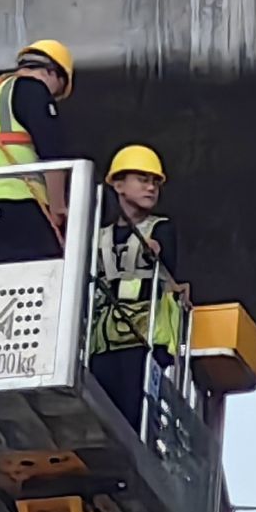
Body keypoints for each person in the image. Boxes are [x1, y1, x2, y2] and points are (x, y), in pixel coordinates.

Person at [0, 40, 78, 264]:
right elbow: (52, 154)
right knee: (44, 282)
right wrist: (58, 207)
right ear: (52, 73)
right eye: (57, 91)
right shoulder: (32, 88)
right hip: (19, 208)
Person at [87, 145, 186, 423]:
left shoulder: (160, 228)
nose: (151, 188)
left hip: (142, 338)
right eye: (142, 180)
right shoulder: (100, 234)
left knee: (136, 415)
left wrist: (154, 249)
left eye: (155, 182)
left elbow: (163, 255)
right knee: (102, 415)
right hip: (102, 341)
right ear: (118, 184)